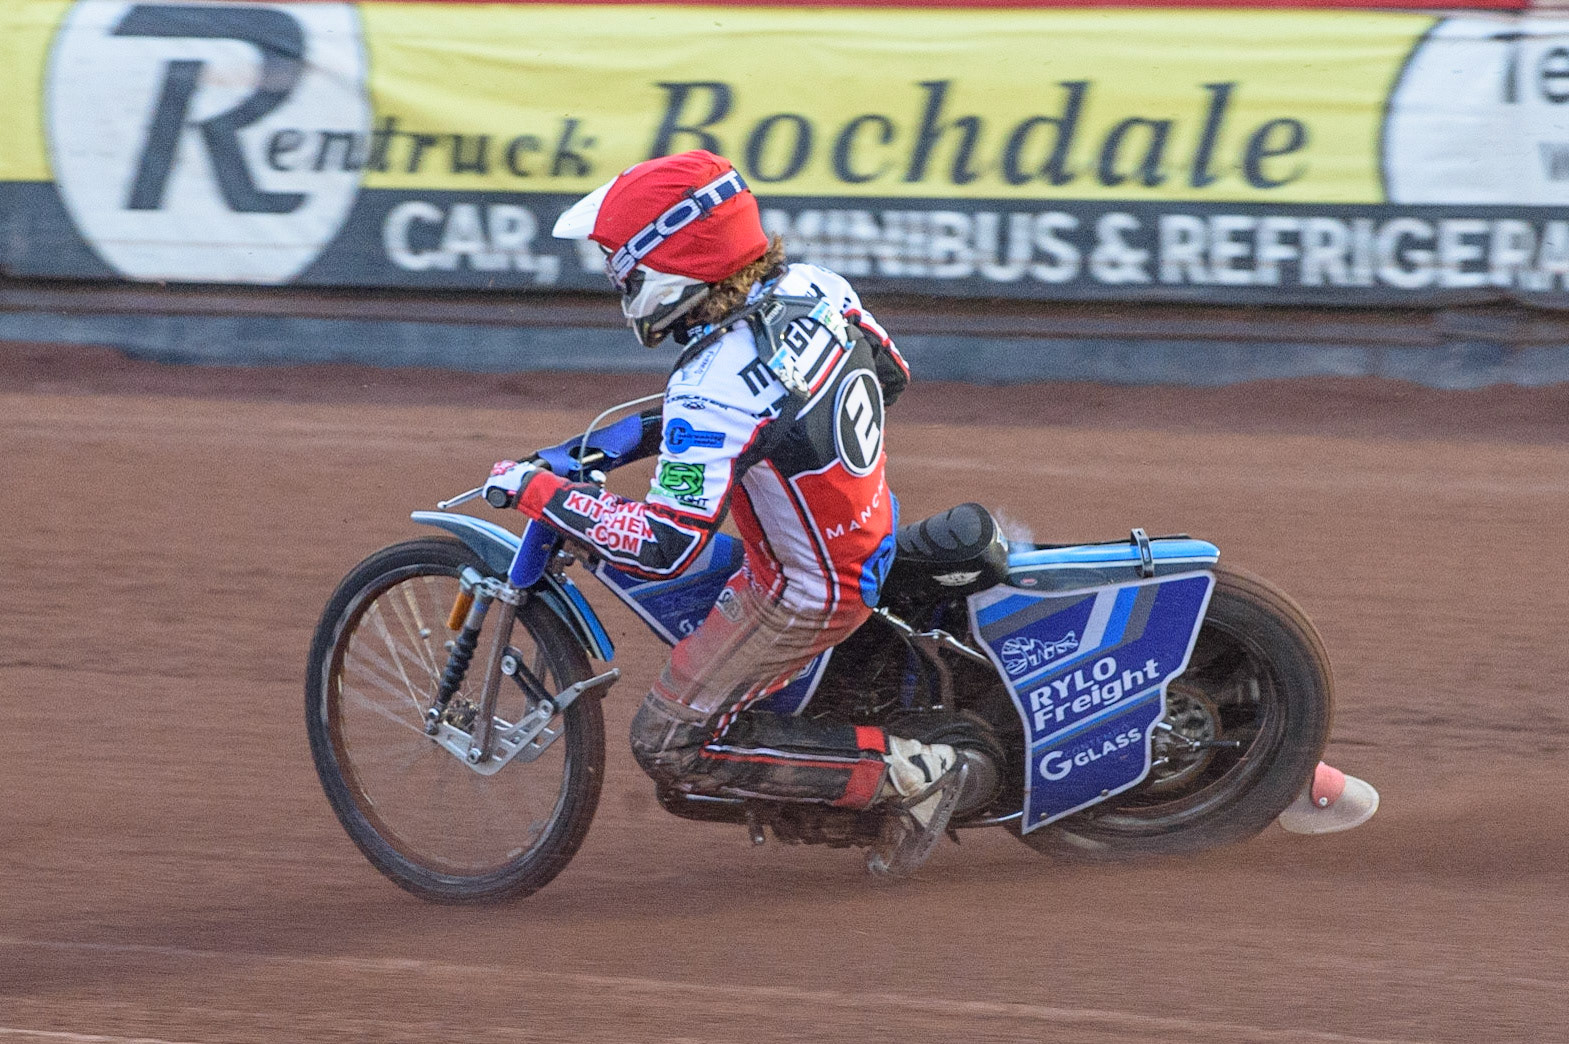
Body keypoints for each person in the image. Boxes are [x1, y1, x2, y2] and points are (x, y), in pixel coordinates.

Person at [480, 150, 965, 874]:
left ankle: (912, 773)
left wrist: (541, 491)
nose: (617, 277)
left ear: (671, 260)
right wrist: (679, 440)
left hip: (804, 587)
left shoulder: (711, 383)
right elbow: (890, 375)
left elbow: (662, 545)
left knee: (669, 742)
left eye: (622, 261)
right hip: (868, 521)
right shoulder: (815, 286)